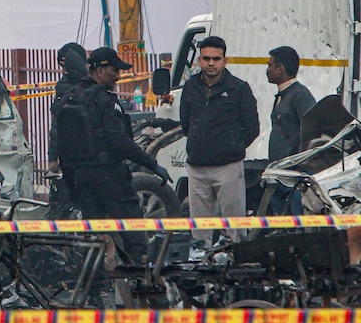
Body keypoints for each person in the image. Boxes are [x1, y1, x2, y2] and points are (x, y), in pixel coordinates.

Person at [53, 47, 172, 269]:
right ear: (98, 71)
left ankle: (95, 290)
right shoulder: (105, 100)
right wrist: (153, 165)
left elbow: (62, 145)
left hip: (82, 179)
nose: (118, 76)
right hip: (109, 175)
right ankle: (141, 284)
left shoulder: (71, 97)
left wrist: (73, 184)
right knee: (133, 230)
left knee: (95, 238)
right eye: (114, 70)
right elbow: (120, 141)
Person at [180, 36, 260, 246]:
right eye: (206, 58)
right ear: (199, 60)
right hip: (197, 167)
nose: (211, 63)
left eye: (216, 58)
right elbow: (186, 123)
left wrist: (232, 147)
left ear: (225, 60)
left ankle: (235, 268)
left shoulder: (239, 89)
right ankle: (200, 266)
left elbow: (252, 128)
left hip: (228, 167)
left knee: (234, 229)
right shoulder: (190, 87)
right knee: (199, 232)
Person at [266, 45, 316, 215]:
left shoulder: (299, 96)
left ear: (281, 68)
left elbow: (312, 128)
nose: (268, 70)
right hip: (281, 173)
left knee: (296, 218)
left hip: (295, 175)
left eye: (270, 65)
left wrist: (297, 160)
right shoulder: (284, 95)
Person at [47, 42, 88, 173]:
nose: (63, 71)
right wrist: (53, 156)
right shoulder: (65, 87)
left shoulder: (86, 86)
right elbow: (56, 124)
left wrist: (53, 157)